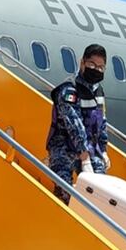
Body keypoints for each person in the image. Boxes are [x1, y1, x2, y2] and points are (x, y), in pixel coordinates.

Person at [47, 44, 110, 203]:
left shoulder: (98, 92)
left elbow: (101, 122)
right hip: (64, 148)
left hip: (90, 148)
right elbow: (74, 126)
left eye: (100, 67)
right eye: (92, 65)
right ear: (82, 63)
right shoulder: (69, 90)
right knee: (65, 192)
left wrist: (103, 151)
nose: (96, 70)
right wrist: (84, 158)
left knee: (100, 192)